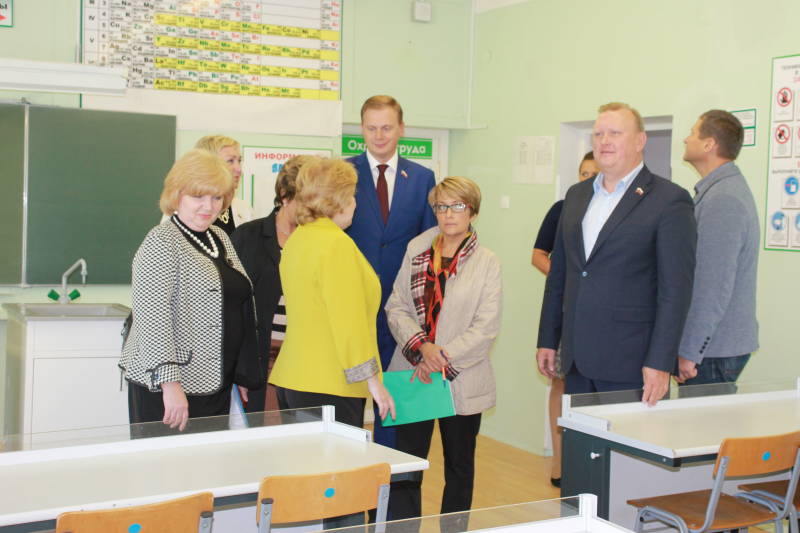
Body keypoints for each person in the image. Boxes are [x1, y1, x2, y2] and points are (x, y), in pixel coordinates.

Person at [536, 102, 697, 406]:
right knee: (579, 437)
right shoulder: (576, 195)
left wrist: (660, 361)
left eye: (615, 133)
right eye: (598, 134)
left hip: (632, 362)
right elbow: (560, 274)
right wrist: (548, 338)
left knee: (628, 439)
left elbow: (676, 291)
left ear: (640, 141)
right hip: (576, 359)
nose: (604, 141)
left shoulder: (669, 200)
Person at [385, 177, 502, 522]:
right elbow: (396, 306)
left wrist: (439, 358)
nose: (449, 214)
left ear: (473, 212)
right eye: (442, 206)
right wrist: (422, 349)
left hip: (460, 377)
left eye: (458, 206)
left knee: (459, 467)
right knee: (407, 466)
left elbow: (486, 327)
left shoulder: (487, 262)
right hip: (413, 371)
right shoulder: (417, 249)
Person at [120, 149, 262, 431]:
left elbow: (238, 302)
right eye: (198, 196)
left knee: (208, 458)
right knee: (169, 459)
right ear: (177, 195)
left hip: (216, 381)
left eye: (216, 197)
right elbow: (152, 318)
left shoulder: (218, 237)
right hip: (170, 388)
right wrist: (170, 384)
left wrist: (241, 373)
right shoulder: (162, 241)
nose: (208, 206)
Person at [268, 157, 396, 429]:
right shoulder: (336, 245)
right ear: (336, 201)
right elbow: (348, 322)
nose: (355, 204)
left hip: (293, 377)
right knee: (336, 459)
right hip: (329, 382)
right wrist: (373, 381)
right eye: (351, 196)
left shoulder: (299, 238)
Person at [347, 95, 437, 448]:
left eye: (386, 127)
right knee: (349, 404)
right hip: (355, 308)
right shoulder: (343, 174)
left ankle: (390, 474)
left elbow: (429, 245)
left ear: (401, 128)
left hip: (402, 311)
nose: (379, 135)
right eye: (371, 128)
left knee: (396, 404)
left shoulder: (422, 178)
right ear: (362, 129)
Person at [676, 110, 759, 386]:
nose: (686, 139)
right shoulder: (720, 190)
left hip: (713, 351)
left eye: (692, 133)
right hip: (715, 348)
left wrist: (690, 350)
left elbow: (712, 285)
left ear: (709, 144)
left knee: (700, 417)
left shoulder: (723, 199)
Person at [531, 151, 598, 488]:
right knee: (561, 382)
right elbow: (538, 254)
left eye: (594, 173)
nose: (588, 179)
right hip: (563, 312)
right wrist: (567, 280)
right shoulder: (564, 208)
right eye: (583, 173)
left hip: (598, 317)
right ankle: (559, 462)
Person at [231, 155, 319, 412]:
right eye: (304, 201)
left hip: (306, 359)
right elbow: (233, 308)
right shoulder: (248, 237)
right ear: (284, 195)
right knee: (264, 429)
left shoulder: (320, 240)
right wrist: (240, 369)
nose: (311, 210)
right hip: (261, 360)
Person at [194, 134, 254, 233]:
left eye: (239, 161)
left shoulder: (244, 209)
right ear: (207, 164)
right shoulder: (185, 209)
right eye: (230, 161)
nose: (239, 169)